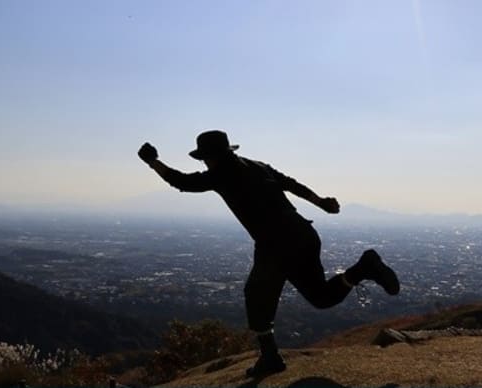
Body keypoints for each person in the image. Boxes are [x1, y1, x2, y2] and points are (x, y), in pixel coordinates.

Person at [137, 130, 399, 377]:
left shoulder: (222, 172)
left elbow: (181, 182)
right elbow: (291, 184)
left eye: (205, 158)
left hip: (276, 242)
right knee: (321, 297)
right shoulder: (258, 166)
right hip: (303, 234)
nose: (205, 164)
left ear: (211, 157)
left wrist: (153, 162)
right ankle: (364, 267)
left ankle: (270, 358)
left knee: (256, 294)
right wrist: (320, 202)